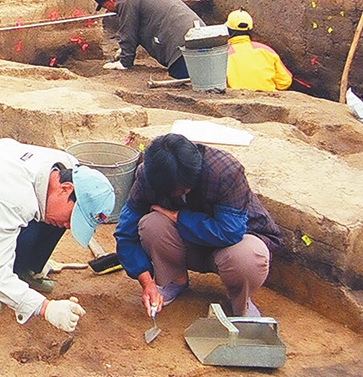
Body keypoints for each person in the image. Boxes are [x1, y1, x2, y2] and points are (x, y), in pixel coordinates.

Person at [0, 138, 115, 326]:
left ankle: (24, 269)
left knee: (56, 216)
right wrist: (45, 308)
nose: (69, 226)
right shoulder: (9, 196)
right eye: (74, 217)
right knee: (36, 221)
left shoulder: (68, 167)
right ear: (66, 189)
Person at [114, 133, 281, 318]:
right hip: (190, 246)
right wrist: (147, 283)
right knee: (152, 225)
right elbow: (125, 233)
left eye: (182, 189)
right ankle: (174, 280)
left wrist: (179, 216)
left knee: (248, 257)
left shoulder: (225, 171)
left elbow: (230, 232)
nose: (177, 194)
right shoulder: (147, 176)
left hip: (233, 247)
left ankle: (241, 301)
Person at [94, 0, 203, 79]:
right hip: (199, 35)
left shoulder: (124, 0)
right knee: (206, 68)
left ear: (109, 0)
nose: (108, 10)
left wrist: (124, 62)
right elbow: (136, 29)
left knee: (186, 76)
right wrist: (123, 51)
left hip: (182, 45)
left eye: (105, 7)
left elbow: (128, 31)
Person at [225, 9, 292, 91]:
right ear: (250, 29)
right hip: (268, 97)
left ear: (228, 30)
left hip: (238, 98)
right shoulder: (267, 50)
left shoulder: (223, 56)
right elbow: (285, 81)